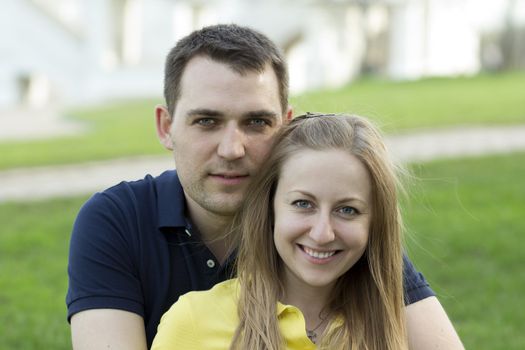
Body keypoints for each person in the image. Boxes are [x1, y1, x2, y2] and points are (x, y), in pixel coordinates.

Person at [66, 24, 464, 349]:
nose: (232, 148)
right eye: (206, 121)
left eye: (256, 122)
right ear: (166, 127)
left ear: (286, 126)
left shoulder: (320, 225)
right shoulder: (116, 219)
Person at [151, 113, 409, 350]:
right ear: (270, 208)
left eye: (348, 210)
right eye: (303, 204)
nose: (322, 234)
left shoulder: (397, 327)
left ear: (375, 222)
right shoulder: (194, 322)